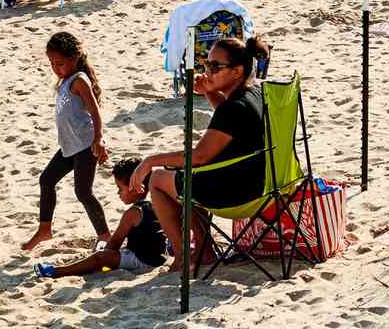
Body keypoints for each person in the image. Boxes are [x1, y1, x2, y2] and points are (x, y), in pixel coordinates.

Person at [130, 36, 271, 274]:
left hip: (239, 193)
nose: (208, 71)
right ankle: (204, 251)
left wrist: (150, 160)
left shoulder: (233, 108)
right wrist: (209, 92)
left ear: (236, 71)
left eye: (215, 67)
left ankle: (183, 256)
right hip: (265, 182)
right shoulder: (254, 93)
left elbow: (200, 156)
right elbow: (230, 126)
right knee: (187, 177)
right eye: (206, 65)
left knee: (158, 180)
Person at [22, 32, 110, 252]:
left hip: (85, 145)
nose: (55, 67)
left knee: (83, 192)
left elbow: (95, 112)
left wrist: (99, 139)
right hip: (69, 145)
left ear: (74, 59)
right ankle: (44, 230)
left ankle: (105, 235)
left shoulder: (79, 80)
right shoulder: (64, 80)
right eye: (51, 63)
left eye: (59, 63)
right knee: (46, 180)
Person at [32, 157, 169, 279]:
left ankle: (57, 271)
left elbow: (115, 242)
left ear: (135, 187)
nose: (118, 193)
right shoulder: (156, 204)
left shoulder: (133, 212)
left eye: (120, 188)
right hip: (157, 257)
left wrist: (105, 256)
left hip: (144, 261)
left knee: (100, 257)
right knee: (107, 254)